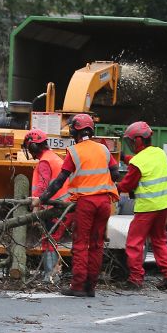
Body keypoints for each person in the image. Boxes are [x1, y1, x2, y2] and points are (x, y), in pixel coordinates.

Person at [35, 113, 119, 297]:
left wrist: (42, 198)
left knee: (81, 243)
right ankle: (91, 286)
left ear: (74, 131)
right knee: (96, 244)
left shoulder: (74, 152)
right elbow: (115, 174)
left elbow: (59, 181)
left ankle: (78, 285)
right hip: (105, 202)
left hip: (86, 203)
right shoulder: (103, 149)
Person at [117, 121, 167, 291]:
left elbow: (126, 186)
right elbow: (142, 162)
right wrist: (124, 158)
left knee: (134, 243)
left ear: (138, 141)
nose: (130, 145)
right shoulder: (160, 153)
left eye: (131, 142)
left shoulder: (138, 162)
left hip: (146, 208)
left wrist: (112, 187)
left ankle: (135, 279)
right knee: (159, 240)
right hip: (164, 206)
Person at [24, 128, 70, 275]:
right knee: (51, 239)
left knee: (49, 240)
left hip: (57, 208)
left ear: (33, 146)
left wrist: (36, 208)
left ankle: (51, 276)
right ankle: (52, 274)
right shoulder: (53, 157)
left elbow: (43, 187)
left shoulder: (44, 161)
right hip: (64, 206)